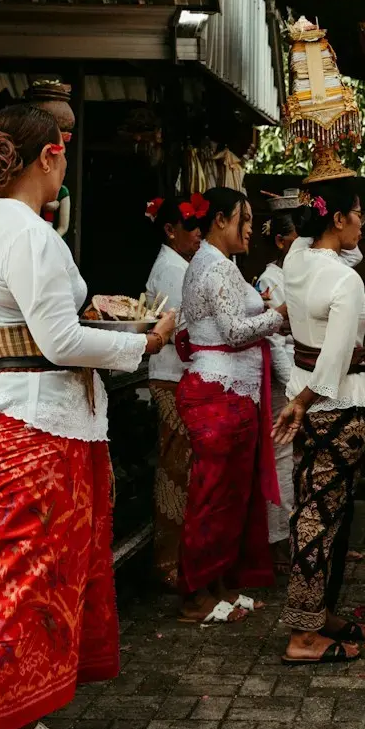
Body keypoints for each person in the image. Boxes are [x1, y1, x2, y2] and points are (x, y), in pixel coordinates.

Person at [0, 103, 176, 729]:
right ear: (49, 156)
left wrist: (99, 317)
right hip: (34, 420)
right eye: (64, 156)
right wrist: (142, 341)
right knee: (21, 577)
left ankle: (24, 716)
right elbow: (57, 341)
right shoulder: (29, 234)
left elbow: (43, 323)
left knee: (49, 575)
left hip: (32, 414)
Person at [273, 177, 365, 664]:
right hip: (337, 405)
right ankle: (303, 635)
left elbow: (314, 243)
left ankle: (319, 613)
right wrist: (304, 400)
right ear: (337, 219)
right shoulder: (345, 280)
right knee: (319, 516)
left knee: (316, 511)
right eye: (356, 213)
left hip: (305, 398)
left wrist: (299, 401)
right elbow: (335, 357)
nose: (363, 222)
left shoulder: (295, 259)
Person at [174, 188, 285, 624]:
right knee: (213, 495)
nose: (251, 228)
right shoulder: (216, 267)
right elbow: (236, 331)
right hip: (219, 391)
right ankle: (195, 592)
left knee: (228, 496)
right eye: (245, 218)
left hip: (233, 389)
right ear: (220, 220)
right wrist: (280, 315)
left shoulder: (217, 263)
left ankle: (217, 581)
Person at [144, 193, 205, 589]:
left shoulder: (181, 265)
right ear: (170, 231)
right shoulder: (170, 270)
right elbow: (182, 329)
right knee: (174, 469)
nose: (199, 235)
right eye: (192, 227)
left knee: (183, 468)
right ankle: (168, 564)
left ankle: (177, 560)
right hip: (171, 375)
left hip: (178, 375)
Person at [256, 208, 302, 560]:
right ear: (280, 241)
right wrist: (292, 386)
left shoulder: (299, 273)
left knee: (296, 457)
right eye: (297, 239)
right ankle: (277, 539)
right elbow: (272, 337)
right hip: (282, 376)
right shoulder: (269, 280)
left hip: (301, 372)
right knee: (281, 456)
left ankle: (296, 533)